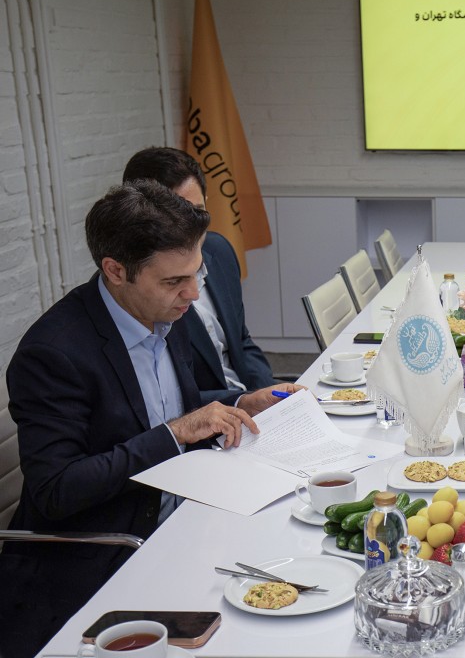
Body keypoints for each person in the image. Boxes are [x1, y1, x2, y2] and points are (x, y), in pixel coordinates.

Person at [0, 182, 296, 658]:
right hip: (107, 554)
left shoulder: (163, 309)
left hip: (185, 522)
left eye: (196, 274)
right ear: (116, 271)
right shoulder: (53, 354)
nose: (193, 294)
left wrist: (241, 402)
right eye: (175, 281)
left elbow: (163, 405)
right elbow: (57, 490)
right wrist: (175, 434)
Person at [123, 147, 276, 407]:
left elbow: (242, 342)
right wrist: (242, 402)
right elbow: (160, 400)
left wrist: (266, 393)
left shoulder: (219, 250)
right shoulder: (136, 286)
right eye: (174, 217)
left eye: (196, 212)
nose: (190, 229)